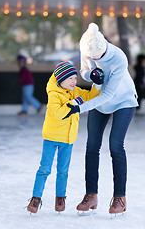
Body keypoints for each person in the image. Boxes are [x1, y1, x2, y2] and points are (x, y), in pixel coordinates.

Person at [64, 23, 138, 215]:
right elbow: (84, 71)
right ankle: (91, 195)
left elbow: (108, 95)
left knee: (115, 146)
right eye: (89, 56)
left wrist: (79, 108)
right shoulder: (86, 48)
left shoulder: (118, 58)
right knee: (92, 146)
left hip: (123, 101)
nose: (91, 58)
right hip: (98, 100)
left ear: (103, 49)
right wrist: (92, 75)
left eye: (95, 56)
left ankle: (120, 198)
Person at [26, 61, 103, 214]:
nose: (74, 82)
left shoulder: (75, 91)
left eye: (75, 78)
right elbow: (59, 113)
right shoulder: (54, 94)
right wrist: (75, 103)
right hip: (52, 137)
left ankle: (60, 198)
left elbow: (90, 96)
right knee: (45, 169)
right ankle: (36, 198)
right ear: (61, 80)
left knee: (63, 170)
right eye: (70, 79)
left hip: (68, 139)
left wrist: (98, 84)